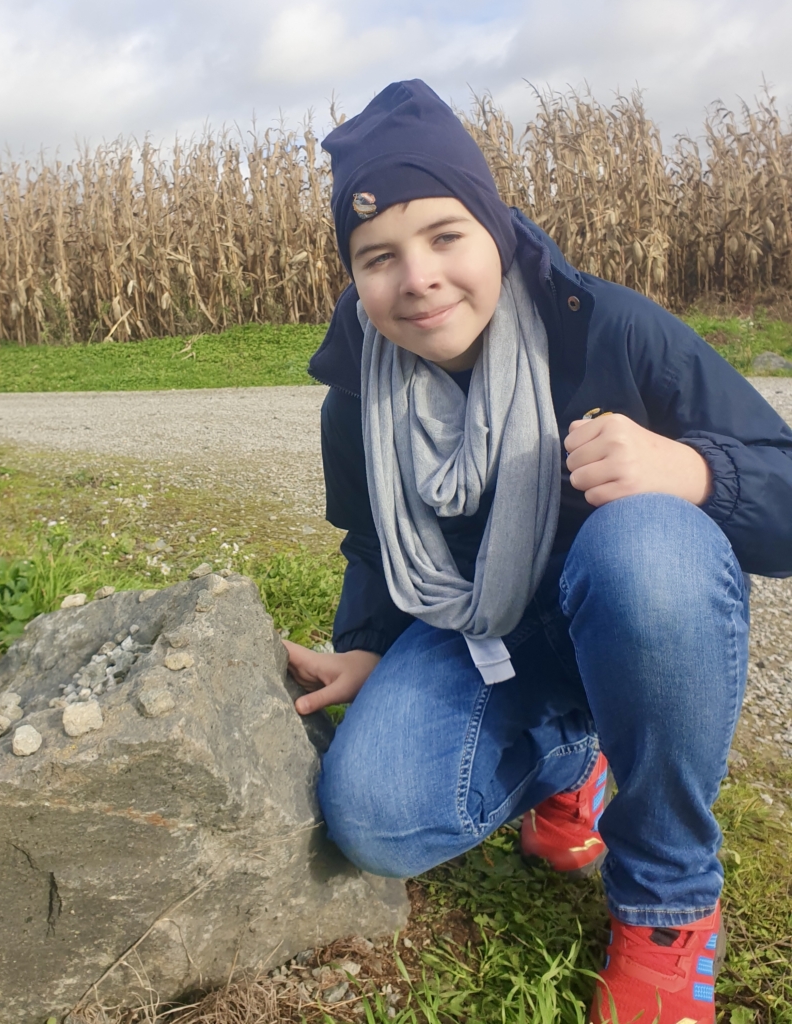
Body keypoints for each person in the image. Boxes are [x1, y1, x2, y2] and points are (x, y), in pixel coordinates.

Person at [284, 79, 792, 1024]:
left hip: (630, 612)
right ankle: (569, 760)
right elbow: (372, 539)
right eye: (378, 257)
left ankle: (670, 901)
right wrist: (365, 643)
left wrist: (692, 470)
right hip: (486, 632)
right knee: (374, 818)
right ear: (353, 276)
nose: (418, 277)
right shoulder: (356, 397)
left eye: (445, 236)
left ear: (496, 230)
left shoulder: (610, 327)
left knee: (646, 543)